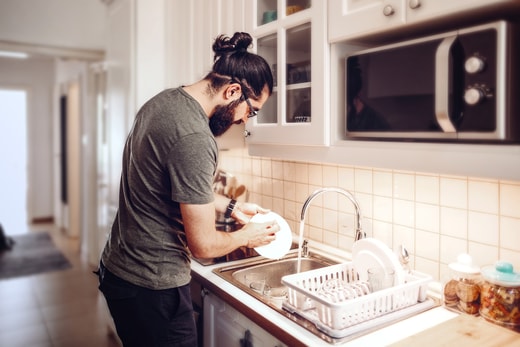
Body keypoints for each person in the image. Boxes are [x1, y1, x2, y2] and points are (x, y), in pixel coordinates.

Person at [97, 32, 277, 347]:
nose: (245, 121)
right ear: (232, 91)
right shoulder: (195, 137)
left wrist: (232, 207)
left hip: (121, 270)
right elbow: (204, 245)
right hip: (152, 285)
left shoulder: (166, 101)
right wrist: (250, 235)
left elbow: (169, 186)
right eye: (252, 111)